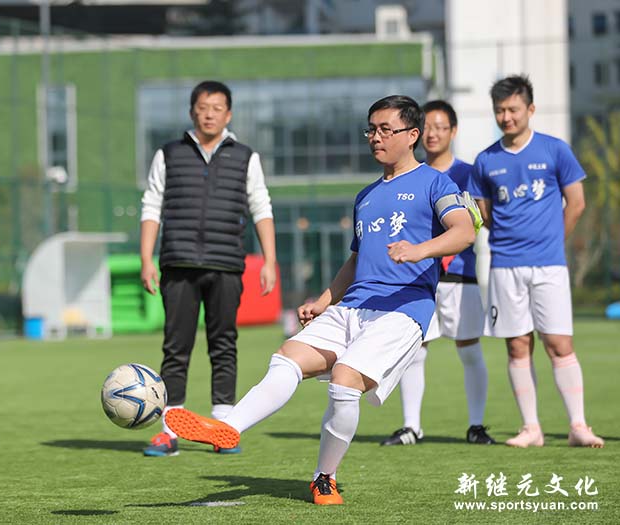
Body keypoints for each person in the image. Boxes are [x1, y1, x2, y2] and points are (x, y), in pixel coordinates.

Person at [164, 95, 477, 505]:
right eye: (371, 129)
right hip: (351, 308)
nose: (376, 137)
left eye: (386, 130)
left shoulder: (435, 183)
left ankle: (324, 477)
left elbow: (464, 231)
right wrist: (325, 300)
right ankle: (228, 428)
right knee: (287, 358)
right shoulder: (366, 195)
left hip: (402, 310)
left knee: (345, 381)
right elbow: (356, 260)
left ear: (412, 135)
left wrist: (419, 250)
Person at [139, 80, 277, 457]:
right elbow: (151, 205)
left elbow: (261, 206)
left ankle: (223, 428)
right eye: (203, 107)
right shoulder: (169, 154)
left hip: (226, 264)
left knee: (224, 343)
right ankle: (170, 431)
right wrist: (146, 259)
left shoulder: (246, 157)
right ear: (192, 112)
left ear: (228, 115)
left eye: (217, 108)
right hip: (178, 262)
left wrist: (269, 260)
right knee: (176, 346)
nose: (209, 114)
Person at [471, 74, 603, 448]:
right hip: (504, 265)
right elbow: (485, 213)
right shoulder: (485, 160)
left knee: (558, 343)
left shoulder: (555, 150)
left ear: (530, 109)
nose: (506, 117)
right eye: (500, 110)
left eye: (513, 109)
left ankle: (578, 426)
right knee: (517, 346)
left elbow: (576, 203)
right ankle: (531, 428)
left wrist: (551, 242)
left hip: (549, 265)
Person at [381, 100, 494, 446]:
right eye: (427, 127)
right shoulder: (408, 174)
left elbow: (479, 221)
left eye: (441, 127)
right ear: (416, 131)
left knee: (469, 349)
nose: (433, 134)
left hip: (460, 275)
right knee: (415, 350)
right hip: (418, 278)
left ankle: (476, 425)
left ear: (453, 131)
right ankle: (411, 426)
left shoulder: (469, 174)